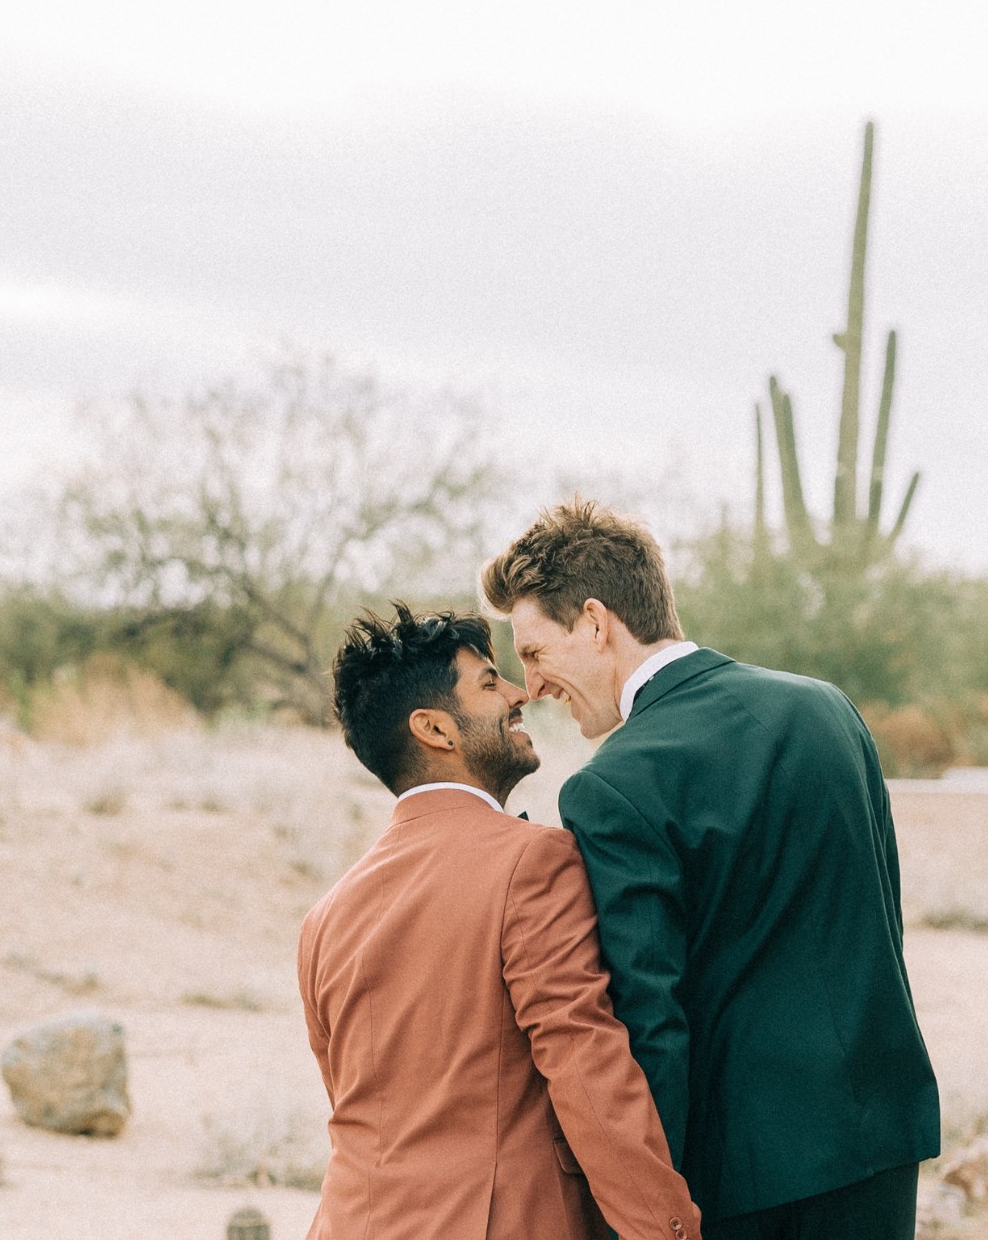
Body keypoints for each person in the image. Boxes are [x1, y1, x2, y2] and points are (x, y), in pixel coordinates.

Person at [480, 499, 939, 1240]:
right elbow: (879, 919)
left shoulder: (612, 784)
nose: (532, 685)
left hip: (745, 1177)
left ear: (596, 623)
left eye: (534, 653)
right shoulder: (827, 710)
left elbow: (649, 1023)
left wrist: (645, 1210)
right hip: (881, 1135)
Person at [300, 603, 701, 1240]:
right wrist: (667, 1229)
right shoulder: (532, 862)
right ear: (435, 728)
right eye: (489, 683)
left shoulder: (325, 917)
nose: (520, 693)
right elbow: (585, 1069)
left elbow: (361, 1106)